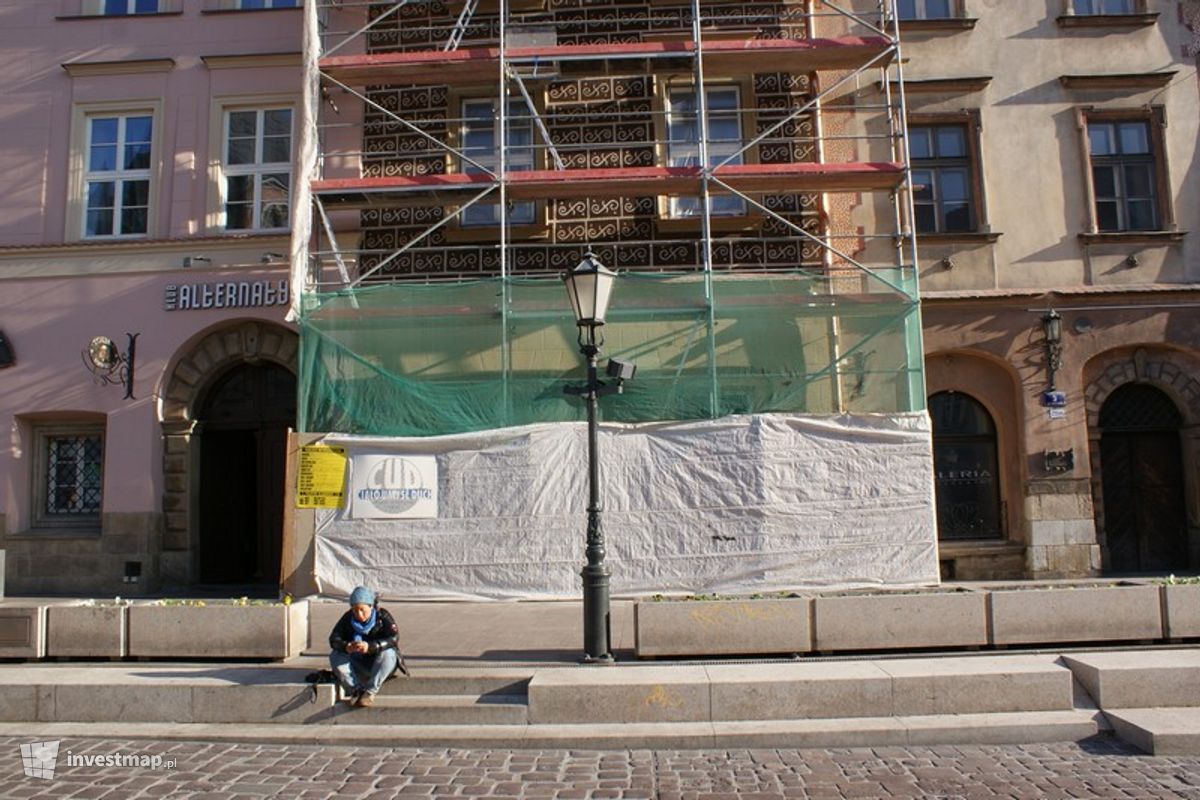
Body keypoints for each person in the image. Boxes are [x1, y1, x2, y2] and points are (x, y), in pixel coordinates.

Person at [328, 585, 404, 707]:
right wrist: (346, 646)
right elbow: (334, 639)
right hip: (359, 661)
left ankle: (370, 692)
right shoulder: (347, 618)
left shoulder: (382, 616)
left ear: (371, 606)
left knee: (388, 653)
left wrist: (371, 647)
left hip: (380, 663)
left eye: (362, 609)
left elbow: (393, 638)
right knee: (336, 655)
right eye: (355, 610)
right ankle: (355, 689)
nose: (358, 614)